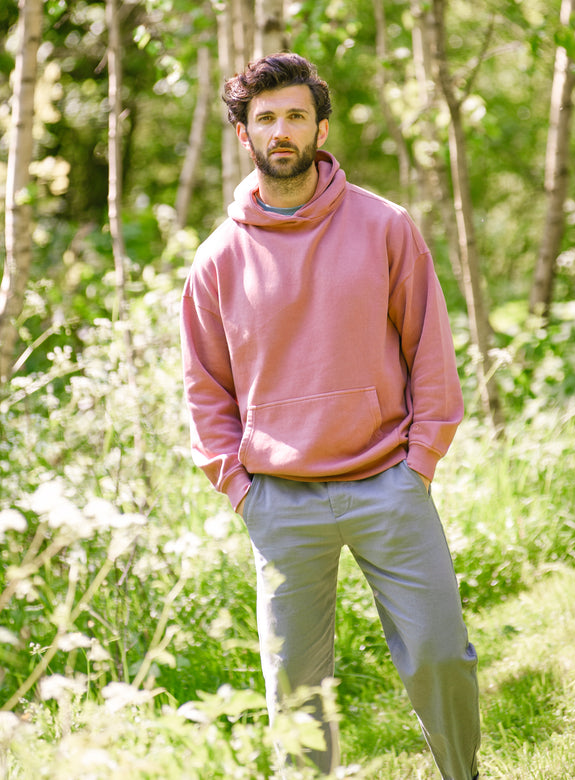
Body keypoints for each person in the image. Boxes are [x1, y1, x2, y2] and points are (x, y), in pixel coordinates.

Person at [180, 52, 480, 779]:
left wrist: (420, 463)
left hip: (388, 483)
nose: (281, 131)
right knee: (297, 696)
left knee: (441, 654)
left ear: (319, 126)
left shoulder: (385, 226)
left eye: (294, 116)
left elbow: (429, 352)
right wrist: (239, 488)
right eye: (265, 119)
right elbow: (204, 389)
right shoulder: (217, 259)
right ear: (245, 134)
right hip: (280, 499)